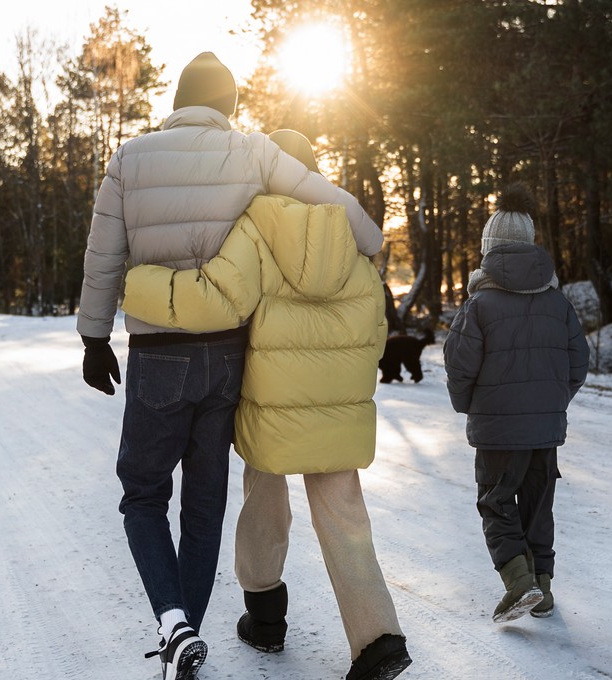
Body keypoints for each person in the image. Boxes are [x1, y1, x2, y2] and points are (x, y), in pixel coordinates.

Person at [77, 53, 383, 680]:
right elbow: (325, 198)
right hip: (227, 357)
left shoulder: (130, 157)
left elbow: (103, 253)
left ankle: (174, 623)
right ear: (231, 107)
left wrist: (93, 336)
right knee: (205, 505)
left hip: (159, 354)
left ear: (178, 101)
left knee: (142, 494)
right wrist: (370, 239)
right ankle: (181, 638)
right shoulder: (251, 152)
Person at [122, 129, 411, 680]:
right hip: (338, 404)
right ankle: (378, 640)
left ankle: (266, 617)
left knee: (263, 499)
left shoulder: (257, 225)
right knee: (346, 517)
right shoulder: (350, 231)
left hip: (269, 400)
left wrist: (138, 285)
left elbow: (218, 298)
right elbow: (376, 327)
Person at [442, 183, 590, 623]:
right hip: (545, 430)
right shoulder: (557, 301)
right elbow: (578, 363)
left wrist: (472, 406)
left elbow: (459, 365)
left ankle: (519, 583)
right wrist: (550, 403)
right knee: (538, 505)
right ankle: (542, 589)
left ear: (489, 249)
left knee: (496, 501)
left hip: (498, 430)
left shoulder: (479, 303)